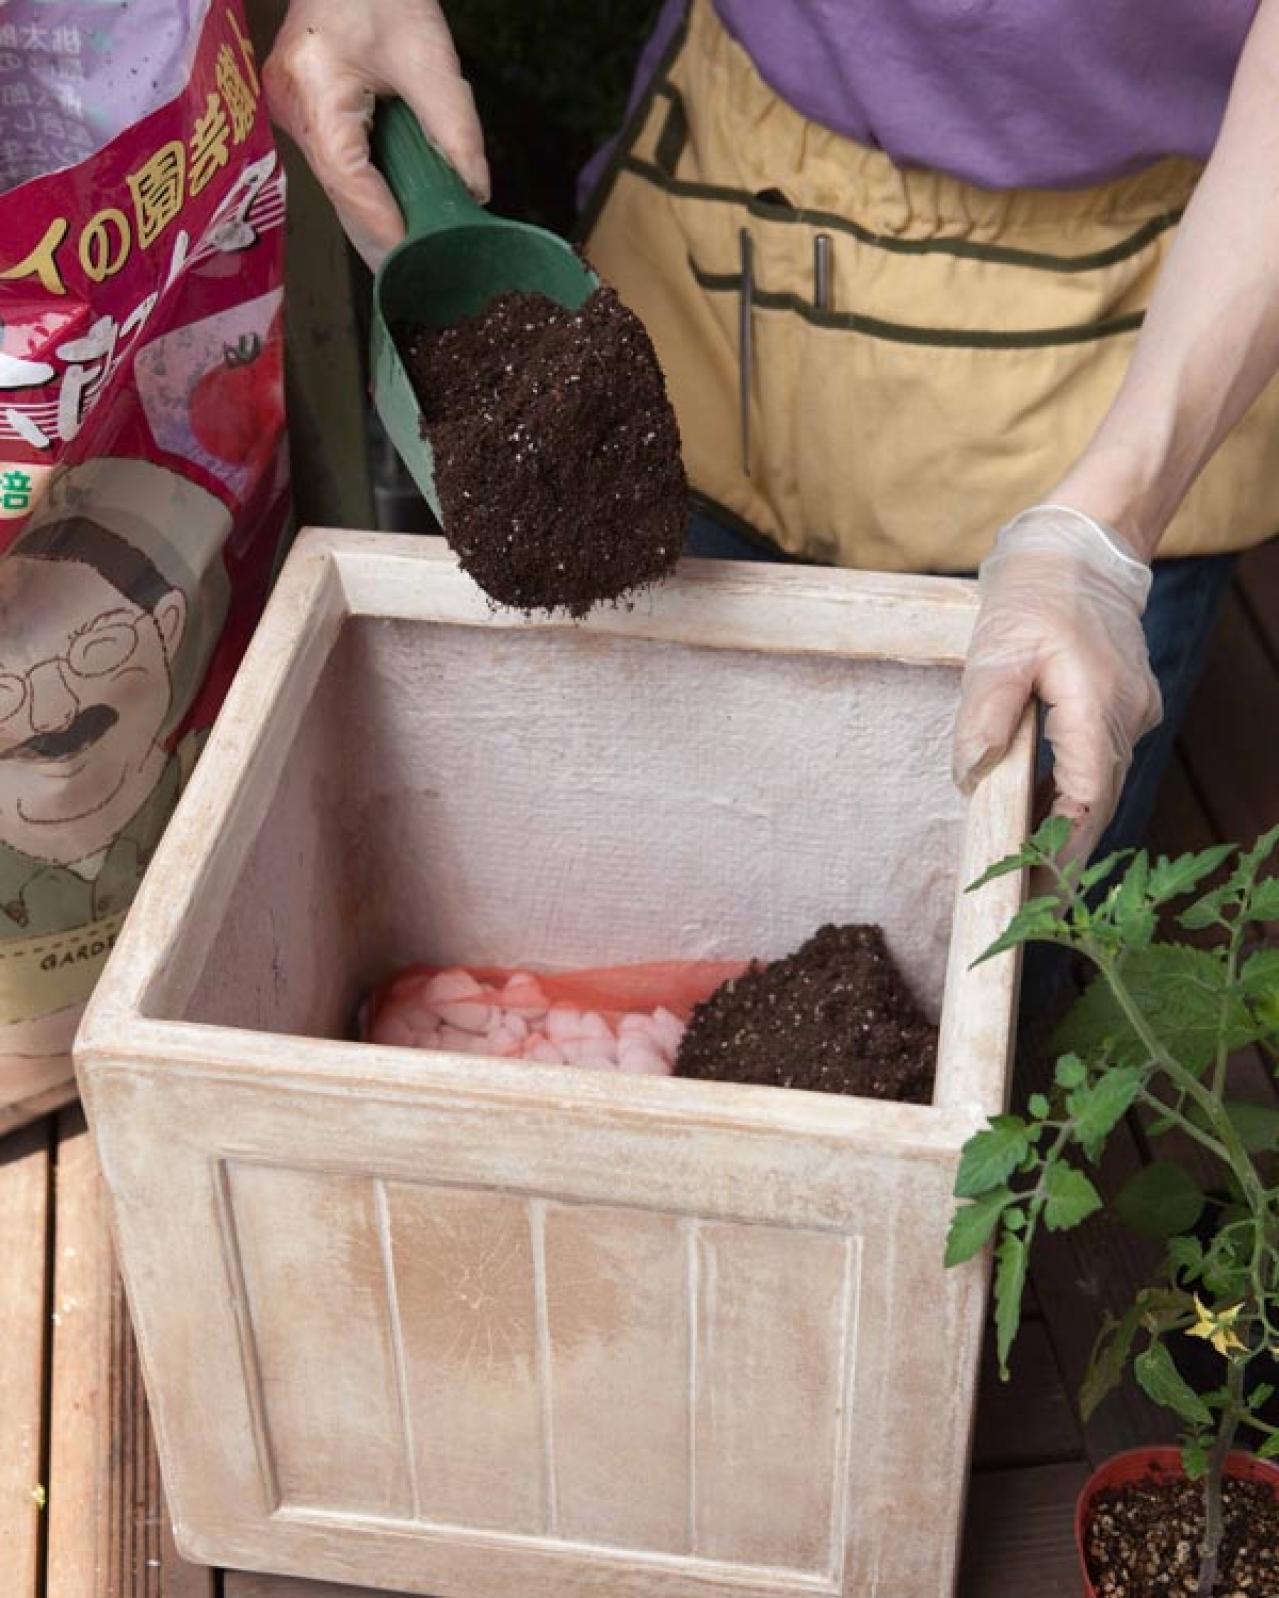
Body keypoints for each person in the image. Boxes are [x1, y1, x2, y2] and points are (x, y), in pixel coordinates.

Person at [264, 0, 1279, 870]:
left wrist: (1101, 531)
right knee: (630, 850)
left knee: (990, 927)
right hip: (730, 197)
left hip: (1131, 321)